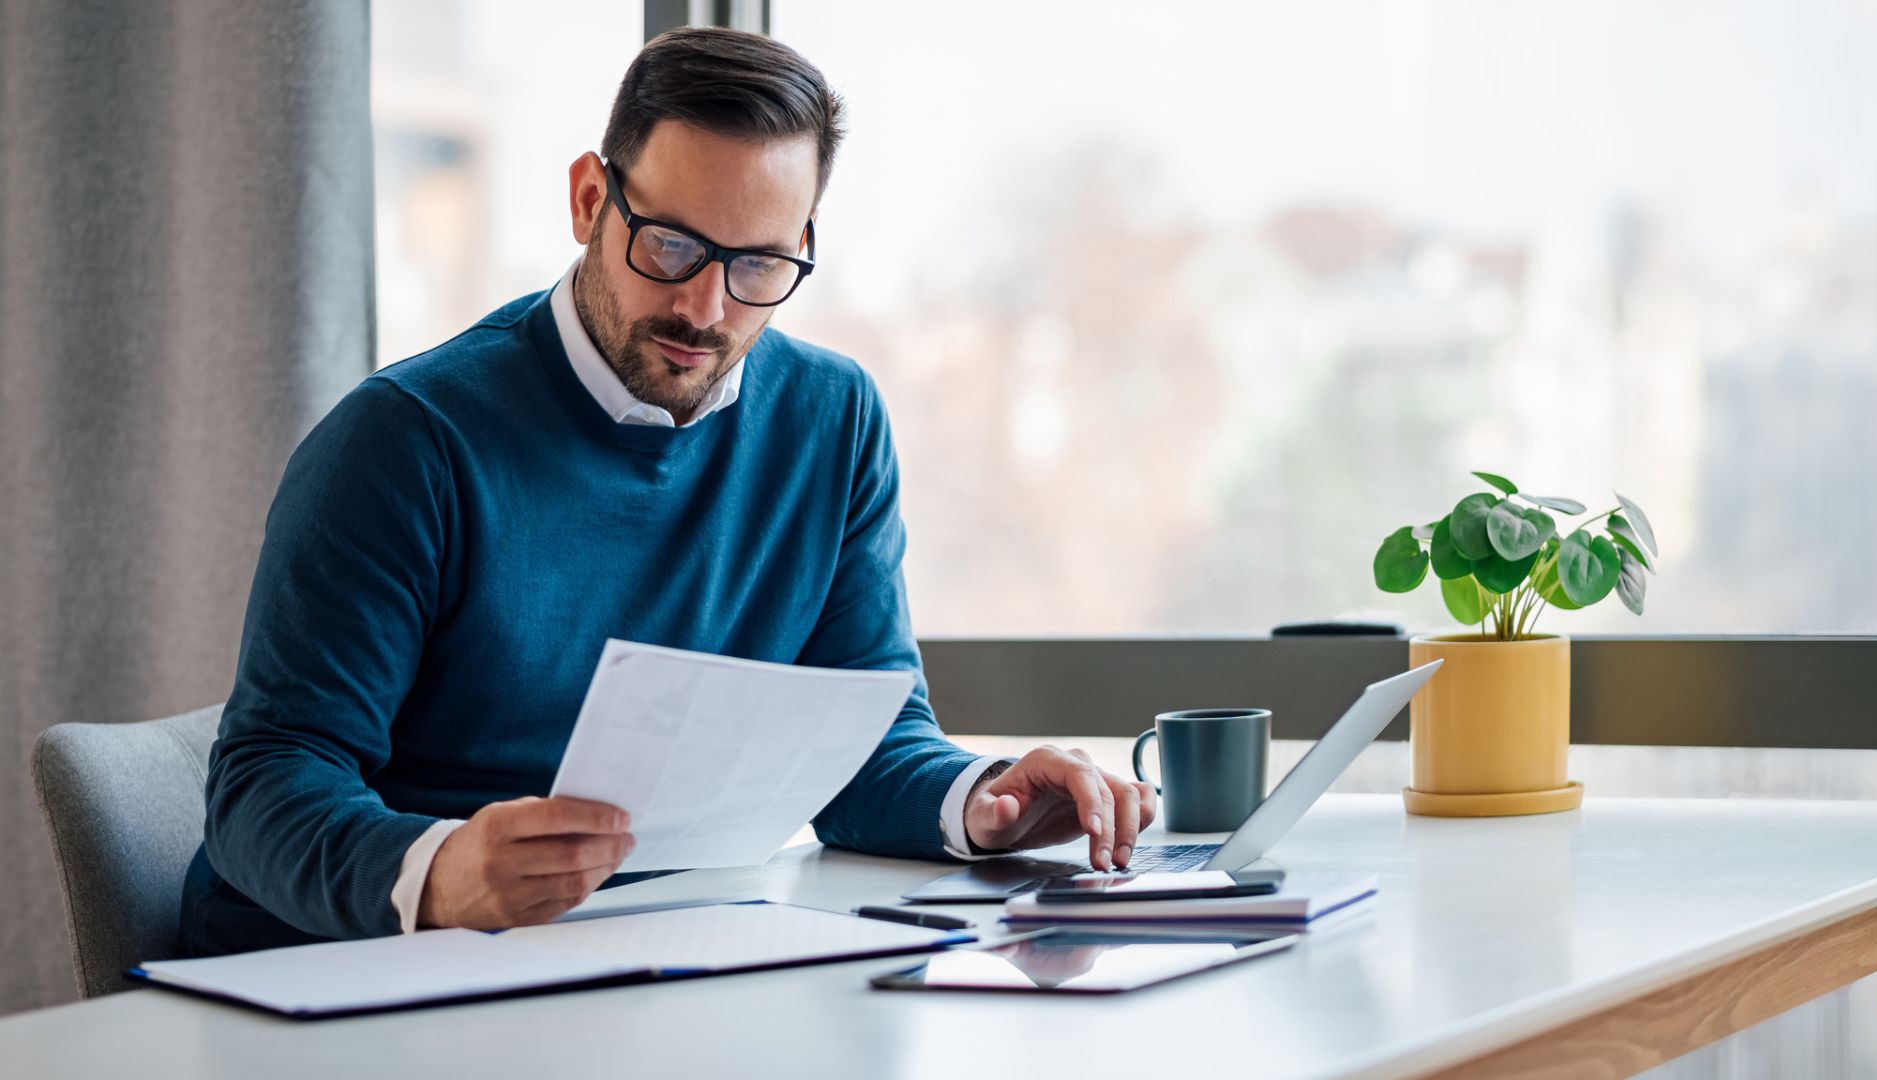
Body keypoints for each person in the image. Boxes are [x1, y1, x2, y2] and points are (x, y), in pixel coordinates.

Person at [179, 26, 1155, 955]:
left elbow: (865, 744)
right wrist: (439, 871)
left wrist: (987, 799)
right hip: (345, 977)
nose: (706, 307)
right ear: (587, 200)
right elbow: (263, 790)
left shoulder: (834, 421)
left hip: (633, 958)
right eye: (673, 246)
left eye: (759, 264)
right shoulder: (404, 443)